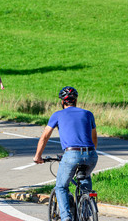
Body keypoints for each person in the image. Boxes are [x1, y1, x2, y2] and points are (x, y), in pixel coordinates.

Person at [33, 86, 98, 221]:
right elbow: (94, 139)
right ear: (76, 101)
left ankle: (66, 217)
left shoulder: (57, 115)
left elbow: (44, 137)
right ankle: (85, 214)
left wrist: (38, 156)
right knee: (85, 180)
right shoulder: (88, 114)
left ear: (62, 102)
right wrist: (88, 155)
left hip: (71, 154)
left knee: (61, 187)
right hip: (91, 154)